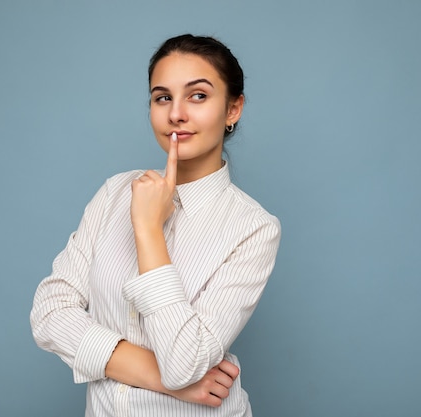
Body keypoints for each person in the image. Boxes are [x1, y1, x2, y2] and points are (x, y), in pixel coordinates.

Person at [30, 34, 281, 417]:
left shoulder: (254, 228)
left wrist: (148, 229)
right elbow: (49, 316)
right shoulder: (115, 191)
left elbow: (185, 362)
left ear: (233, 109)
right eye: (163, 97)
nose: (176, 113)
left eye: (198, 96)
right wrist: (160, 377)